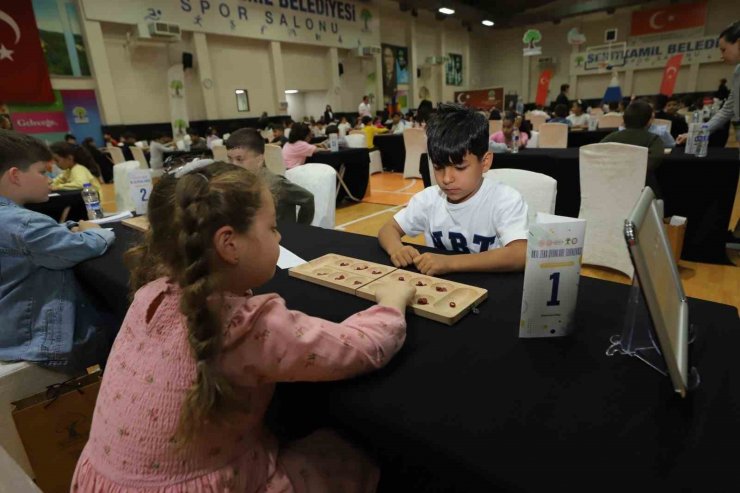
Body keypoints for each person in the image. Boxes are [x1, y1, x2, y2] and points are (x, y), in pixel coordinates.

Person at [72, 160, 416, 491]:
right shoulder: (249, 325)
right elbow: (356, 348)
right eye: (271, 227)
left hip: (100, 480)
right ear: (229, 244)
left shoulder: (148, 295)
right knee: (347, 455)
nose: (279, 237)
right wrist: (391, 303)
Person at [0, 130, 115, 371]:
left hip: (9, 330)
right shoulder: (26, 224)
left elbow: (36, 241)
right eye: (43, 172)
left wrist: (69, 227)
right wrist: (94, 230)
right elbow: (87, 245)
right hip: (37, 342)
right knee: (124, 322)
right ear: (15, 176)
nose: (50, 179)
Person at [378, 104, 528, 275]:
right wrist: (397, 248)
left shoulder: (505, 199)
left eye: (460, 167)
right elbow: (387, 229)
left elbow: (520, 254)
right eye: (438, 167)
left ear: (485, 162)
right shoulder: (429, 199)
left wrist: (450, 263)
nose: (447, 178)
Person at [226, 128, 314, 225]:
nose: (233, 165)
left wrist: (300, 230)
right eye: (230, 159)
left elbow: (308, 199)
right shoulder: (240, 182)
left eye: (239, 159)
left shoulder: (276, 184)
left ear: (260, 159)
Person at [677, 21, 739, 146]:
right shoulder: (738, 72)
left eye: (723, 50)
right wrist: (697, 133)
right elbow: (727, 110)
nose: (722, 56)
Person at [600, 100, 664, 194]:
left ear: (624, 119)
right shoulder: (653, 139)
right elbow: (655, 159)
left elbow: (597, 153)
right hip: (643, 191)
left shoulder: (611, 137)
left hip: (611, 187)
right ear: (649, 121)